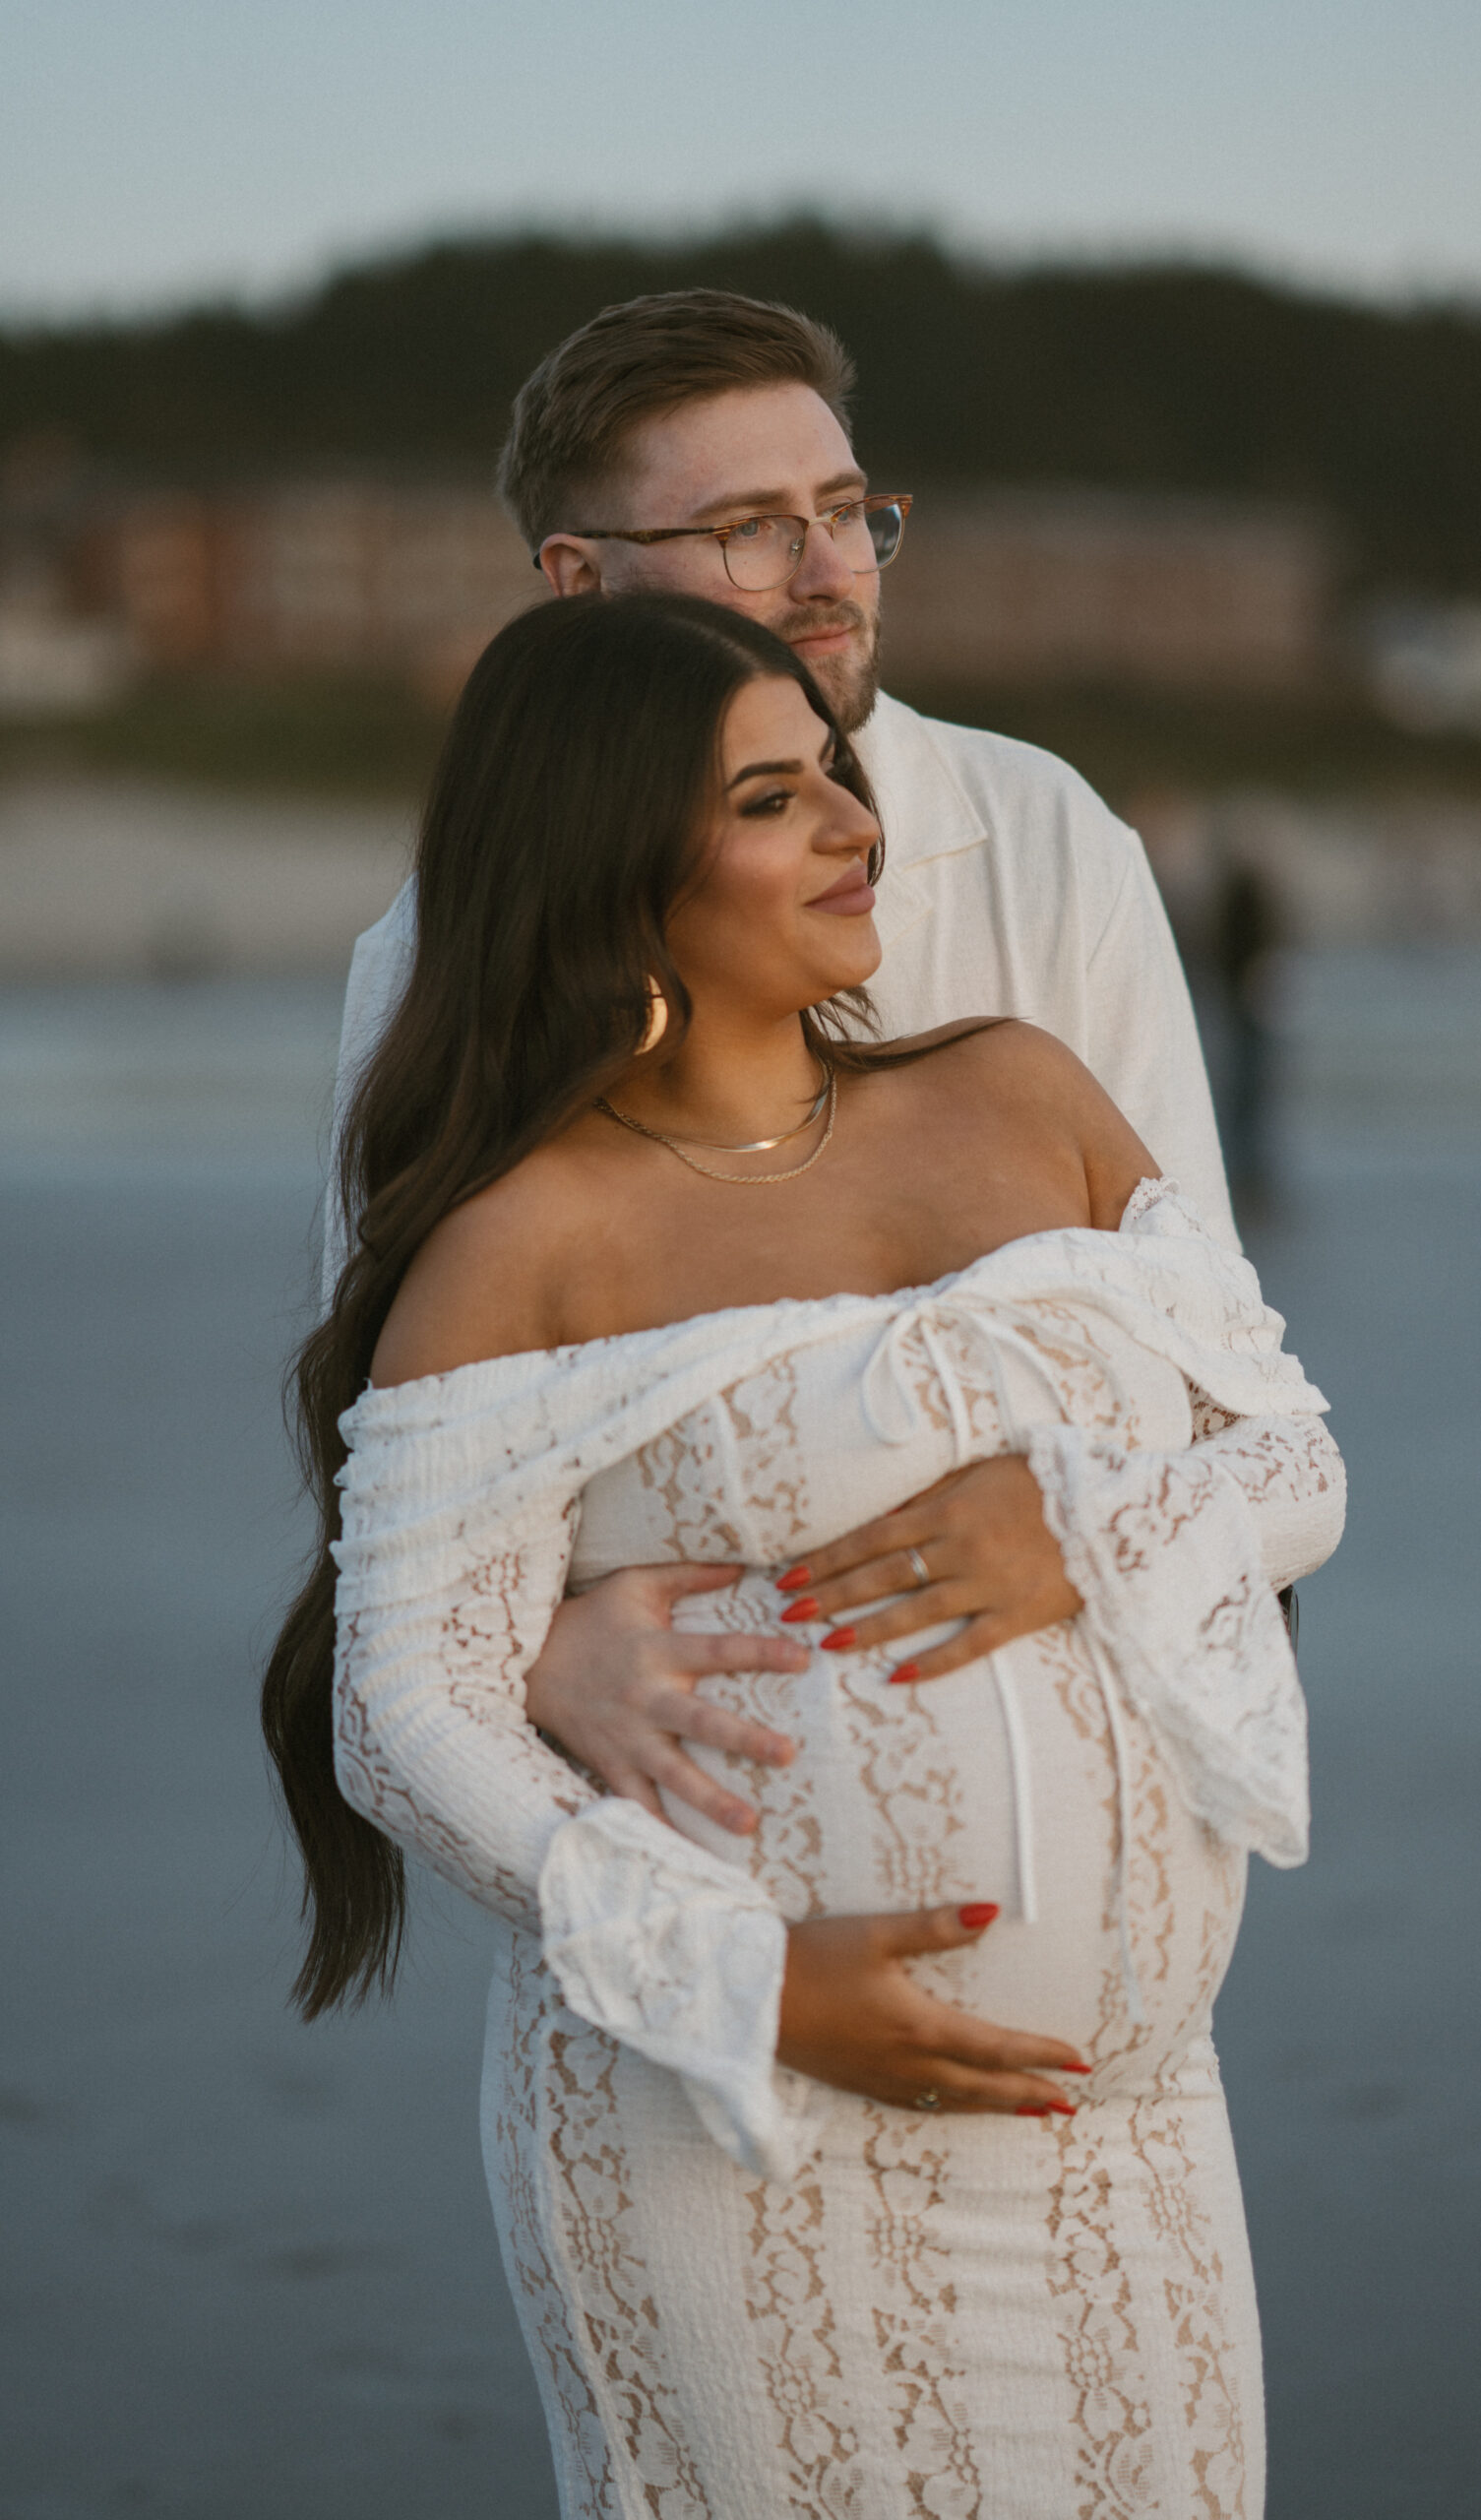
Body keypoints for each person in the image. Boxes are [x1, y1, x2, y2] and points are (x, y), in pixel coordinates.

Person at [269, 591, 1344, 2515]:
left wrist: (1087, 1525)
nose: (857, 825)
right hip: (743, 2124)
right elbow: (403, 1703)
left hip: (1129, 2122)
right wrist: (740, 1976)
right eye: (773, 800)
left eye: (833, 774)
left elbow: (1289, 1459)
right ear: (610, 863)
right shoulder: (527, 1238)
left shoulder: (1020, 1091)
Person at [324, 287, 1260, 1851]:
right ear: (579, 582)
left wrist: (1106, 1542)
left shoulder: (1044, 839)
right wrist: (546, 1661)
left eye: (846, 512)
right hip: (704, 1868)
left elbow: (1221, 1370)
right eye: (751, 530)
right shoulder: (447, 946)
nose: (830, 573)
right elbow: (408, 1482)